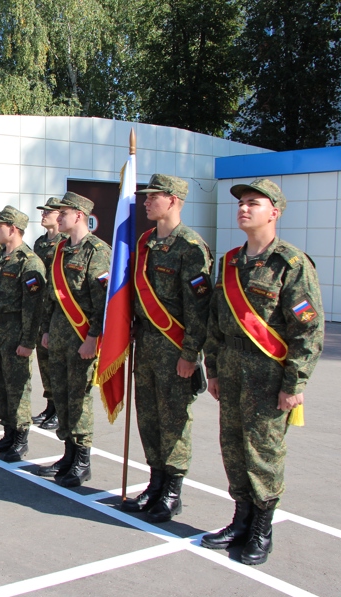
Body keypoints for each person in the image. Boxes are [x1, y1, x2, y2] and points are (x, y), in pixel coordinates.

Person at [201, 179, 324, 565]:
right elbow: (216, 324)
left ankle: (262, 529)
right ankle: (240, 518)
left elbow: (308, 329)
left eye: (254, 203)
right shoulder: (230, 262)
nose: (243, 208)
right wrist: (215, 370)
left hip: (269, 378)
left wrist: (295, 382)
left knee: (263, 454)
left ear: (275, 212)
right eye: (240, 203)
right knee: (233, 449)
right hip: (232, 371)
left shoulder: (291, 263)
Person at [122, 174, 213, 523]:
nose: (145, 202)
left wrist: (191, 355)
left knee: (174, 419)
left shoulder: (191, 247)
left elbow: (199, 310)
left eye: (152, 197)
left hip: (175, 348)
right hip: (145, 344)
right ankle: (155, 481)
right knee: (149, 417)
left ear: (173, 200)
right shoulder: (145, 242)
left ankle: (172, 491)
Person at [39, 193, 110, 485]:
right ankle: (68, 453)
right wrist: (45, 329)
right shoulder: (60, 249)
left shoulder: (97, 251)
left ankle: (82, 460)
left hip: (82, 339)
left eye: (63, 212)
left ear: (78, 215)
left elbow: (104, 302)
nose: (58, 216)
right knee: (63, 397)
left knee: (78, 398)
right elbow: (51, 297)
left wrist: (93, 338)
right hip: (58, 337)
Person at [0, 206, 46, 462]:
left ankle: (20, 438)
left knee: (17, 386)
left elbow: (34, 308)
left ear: (14, 229)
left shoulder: (29, 262)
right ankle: (8, 432)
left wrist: (27, 341)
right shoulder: (0, 259)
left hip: (15, 331)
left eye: (1, 225)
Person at [32, 199, 67, 430]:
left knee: (56, 362)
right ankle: (50, 405)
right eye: (42, 211)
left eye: (48, 212)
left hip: (58, 309)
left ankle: (59, 409)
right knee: (43, 360)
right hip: (41, 309)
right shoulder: (40, 243)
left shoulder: (65, 243)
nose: (44, 215)